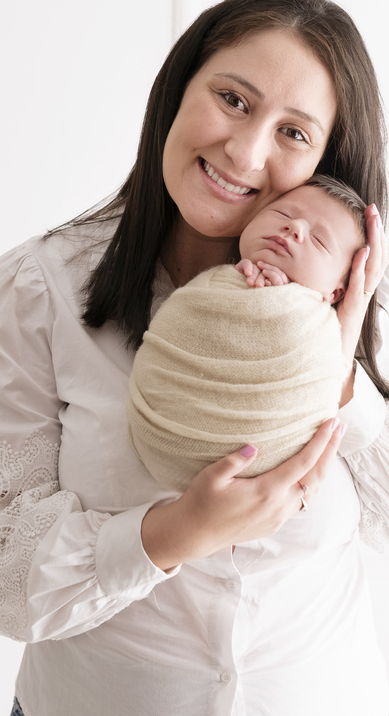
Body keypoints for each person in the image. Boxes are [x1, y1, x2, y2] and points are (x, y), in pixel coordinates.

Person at [0, 0, 389, 716]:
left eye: (293, 132)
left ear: (326, 159)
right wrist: (173, 533)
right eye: (233, 100)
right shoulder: (37, 289)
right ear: (177, 92)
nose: (246, 151)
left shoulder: (366, 286)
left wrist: (334, 366)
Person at [127, 175, 367, 493]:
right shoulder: (210, 285)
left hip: (267, 464)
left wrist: (286, 308)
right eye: (282, 213)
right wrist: (242, 296)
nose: (295, 227)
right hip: (161, 436)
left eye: (319, 240)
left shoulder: (323, 330)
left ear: (336, 292)